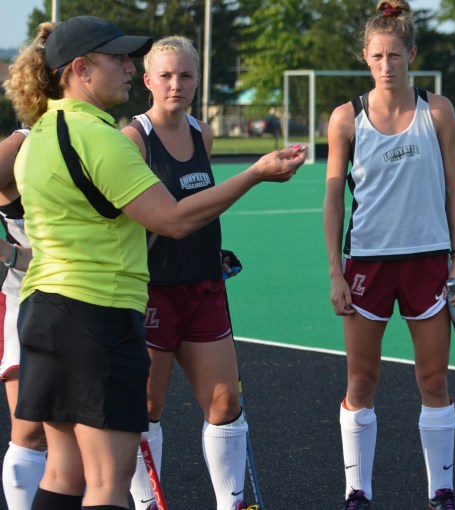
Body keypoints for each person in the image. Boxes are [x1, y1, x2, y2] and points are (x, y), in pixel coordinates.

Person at [4, 15, 304, 510]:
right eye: (118, 58)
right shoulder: (101, 137)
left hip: (43, 311)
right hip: (97, 314)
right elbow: (175, 220)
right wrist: (255, 174)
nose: (129, 67)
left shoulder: (38, 135)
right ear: (80, 68)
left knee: (64, 472)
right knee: (108, 483)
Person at [323, 2, 455, 509]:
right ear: (366, 57)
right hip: (366, 263)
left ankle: (441, 490)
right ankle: (356, 489)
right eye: (377, 56)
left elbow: (454, 188)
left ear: (412, 54)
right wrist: (335, 271)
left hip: (428, 261)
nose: (387, 65)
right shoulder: (346, 118)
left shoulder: (439, 110)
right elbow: (333, 198)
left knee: (433, 379)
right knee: (361, 380)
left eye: (396, 55)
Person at [121, 35, 254, 510]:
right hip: (152, 292)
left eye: (186, 75)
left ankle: (231, 503)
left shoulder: (202, 133)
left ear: (197, 80)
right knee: (147, 409)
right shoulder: (133, 140)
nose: (176, 84)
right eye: (167, 75)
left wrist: (209, 250)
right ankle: (146, 503)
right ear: (149, 81)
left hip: (204, 287)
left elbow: (200, 205)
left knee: (225, 404)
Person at [0, 126, 43, 510]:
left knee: (95, 429)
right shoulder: (24, 140)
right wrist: (12, 256)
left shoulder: (104, 134)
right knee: (31, 432)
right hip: (26, 301)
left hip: (89, 298)